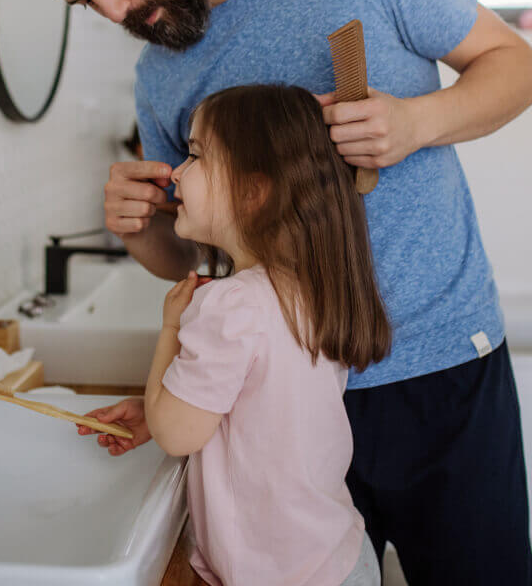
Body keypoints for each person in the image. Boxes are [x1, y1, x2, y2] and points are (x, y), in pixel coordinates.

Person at [6, 0, 532, 583]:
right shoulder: (161, 76)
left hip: (441, 370)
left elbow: (520, 67)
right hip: (278, 409)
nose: (114, 12)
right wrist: (141, 229)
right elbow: (196, 256)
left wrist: (418, 123)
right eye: (87, 4)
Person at [84, 84, 389, 585]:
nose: (176, 172)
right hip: (340, 558)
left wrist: (170, 329)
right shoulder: (311, 284)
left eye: (196, 155)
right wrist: (167, 400)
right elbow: (259, 403)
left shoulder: (230, 303)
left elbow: (177, 434)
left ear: (252, 192)